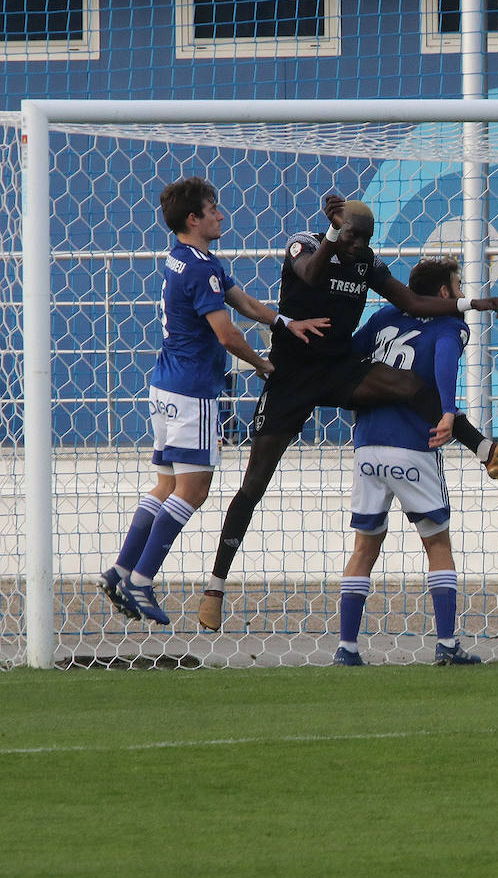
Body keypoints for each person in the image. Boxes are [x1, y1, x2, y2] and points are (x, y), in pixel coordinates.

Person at [198, 195, 498, 632]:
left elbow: (412, 303)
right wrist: (336, 237)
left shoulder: (366, 261)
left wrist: (472, 304)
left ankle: (488, 450)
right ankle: (215, 586)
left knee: (410, 385)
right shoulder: (304, 245)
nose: (360, 245)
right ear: (338, 227)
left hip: (338, 371)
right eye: (354, 235)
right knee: (255, 483)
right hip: (291, 376)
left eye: (365, 238)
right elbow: (312, 274)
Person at [95, 177, 329, 624]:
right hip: (192, 391)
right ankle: (142, 582)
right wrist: (265, 365)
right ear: (193, 219)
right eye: (213, 208)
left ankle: (120, 570)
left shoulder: (191, 260)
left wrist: (285, 322)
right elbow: (228, 334)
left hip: (165, 385)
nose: (222, 214)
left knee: (165, 486)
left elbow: (241, 301)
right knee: (194, 489)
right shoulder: (201, 268)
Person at [332, 257, 485, 667]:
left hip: (366, 446)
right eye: (457, 283)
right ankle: (448, 645)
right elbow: (445, 361)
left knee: (364, 547)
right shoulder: (450, 325)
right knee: (436, 542)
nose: (460, 289)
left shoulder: (383, 317)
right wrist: (449, 411)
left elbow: (347, 355)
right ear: (443, 293)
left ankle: (346, 649)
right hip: (413, 445)